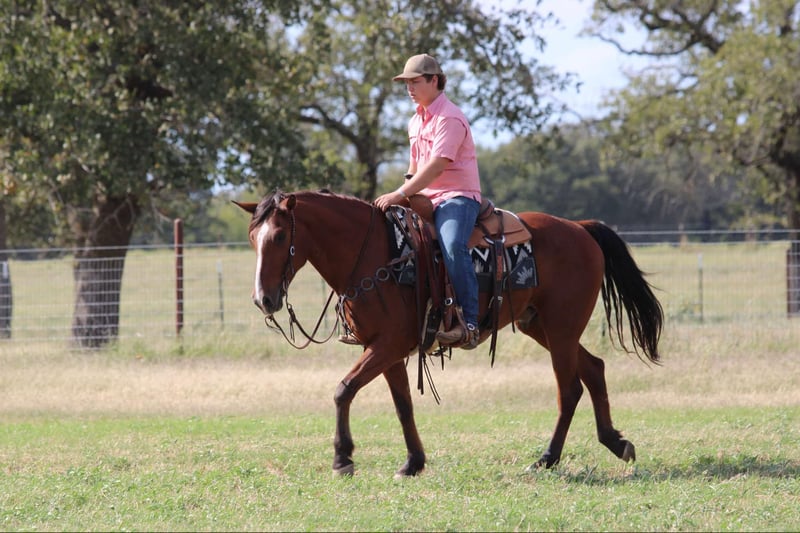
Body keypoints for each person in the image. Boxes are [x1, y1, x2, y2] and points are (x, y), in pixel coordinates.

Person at [375, 53, 481, 349]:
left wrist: (399, 194)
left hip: (456, 198)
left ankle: (470, 323)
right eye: (406, 83)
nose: (409, 88)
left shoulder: (450, 118)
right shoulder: (415, 121)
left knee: (452, 245)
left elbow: (436, 166)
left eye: (415, 81)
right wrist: (403, 197)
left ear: (434, 81)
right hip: (424, 198)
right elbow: (414, 168)